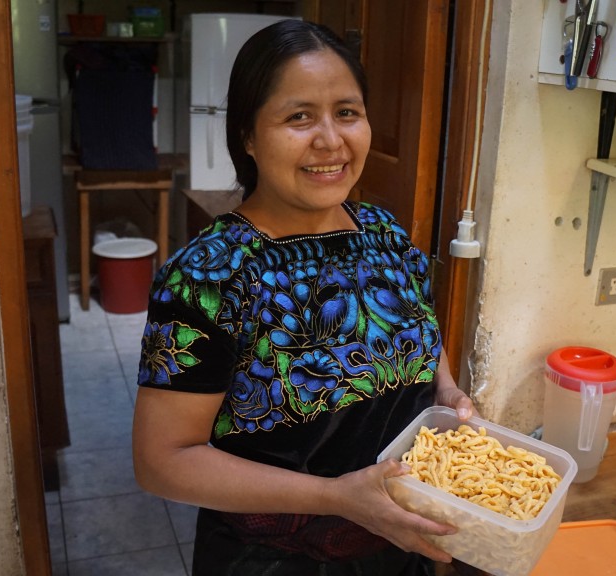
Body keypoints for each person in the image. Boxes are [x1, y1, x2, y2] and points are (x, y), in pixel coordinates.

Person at [132, 19, 475, 576]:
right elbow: (162, 462)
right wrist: (337, 497)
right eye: (298, 117)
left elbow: (419, 331)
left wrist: (449, 391)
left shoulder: (384, 234)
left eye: (347, 112)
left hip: (401, 550)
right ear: (248, 136)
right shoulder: (209, 277)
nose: (330, 140)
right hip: (274, 562)